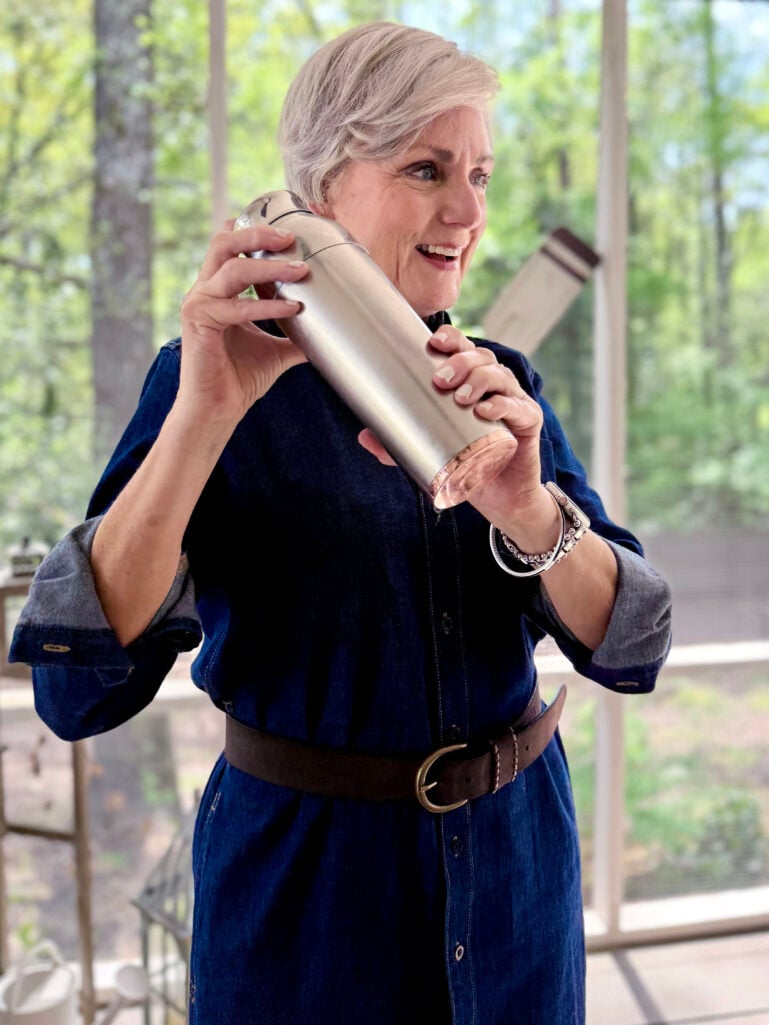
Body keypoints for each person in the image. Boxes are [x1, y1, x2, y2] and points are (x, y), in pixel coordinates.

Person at [11, 22, 672, 1025]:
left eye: (479, 175)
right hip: (309, 904)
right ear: (322, 190)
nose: (468, 211)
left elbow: (630, 642)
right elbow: (76, 689)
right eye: (426, 169)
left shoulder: (502, 385)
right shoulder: (205, 380)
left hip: (516, 880)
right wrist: (203, 417)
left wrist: (525, 505)